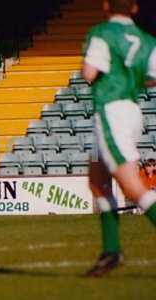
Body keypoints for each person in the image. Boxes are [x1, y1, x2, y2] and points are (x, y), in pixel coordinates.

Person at [82, 0, 156, 277]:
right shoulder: (147, 40)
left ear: (105, 6)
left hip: (111, 111)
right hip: (131, 110)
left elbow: (89, 73)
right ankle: (111, 251)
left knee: (133, 189)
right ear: (135, 8)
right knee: (97, 181)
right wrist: (132, 78)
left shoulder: (102, 33)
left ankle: (113, 251)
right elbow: (153, 77)